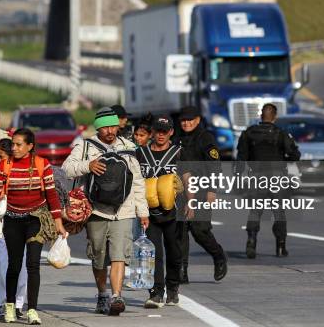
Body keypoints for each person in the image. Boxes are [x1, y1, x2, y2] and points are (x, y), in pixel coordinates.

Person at [62, 107, 149, 316]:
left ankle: (116, 296)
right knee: (99, 256)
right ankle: (102, 294)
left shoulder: (128, 147)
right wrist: (88, 165)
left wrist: (142, 211)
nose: (110, 131)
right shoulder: (85, 146)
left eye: (113, 126)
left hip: (124, 210)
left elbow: (137, 181)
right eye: (105, 127)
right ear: (98, 129)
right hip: (96, 210)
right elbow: (66, 169)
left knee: (119, 254)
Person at [0, 128, 67, 325]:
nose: (15, 148)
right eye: (13, 144)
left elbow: (52, 196)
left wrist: (58, 223)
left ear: (30, 146)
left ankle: (32, 309)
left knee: (33, 265)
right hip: (12, 220)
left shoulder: (42, 164)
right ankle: (10, 306)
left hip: (35, 219)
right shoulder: (5, 165)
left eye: (19, 145)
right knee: (14, 265)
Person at [236, 103, 301, 259]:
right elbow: (295, 156)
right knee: (279, 213)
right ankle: (280, 246)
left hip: (256, 177)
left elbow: (241, 159)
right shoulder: (281, 134)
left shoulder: (248, 133)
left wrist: (238, 178)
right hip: (277, 178)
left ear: (261, 116)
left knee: (255, 212)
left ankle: (251, 241)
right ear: (275, 117)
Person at [176, 105, 228, 284]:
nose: (187, 123)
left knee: (200, 231)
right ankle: (182, 271)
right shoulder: (177, 138)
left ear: (197, 120)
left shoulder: (205, 138)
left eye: (190, 120)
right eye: (183, 120)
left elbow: (215, 164)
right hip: (181, 191)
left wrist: (212, 190)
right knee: (180, 232)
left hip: (202, 190)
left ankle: (218, 255)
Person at [136, 115, 182, 308]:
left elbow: (188, 177)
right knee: (153, 253)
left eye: (165, 131)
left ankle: (172, 289)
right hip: (149, 212)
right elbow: (135, 181)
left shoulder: (179, 152)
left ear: (171, 132)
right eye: (158, 131)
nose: (161, 135)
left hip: (174, 211)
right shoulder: (141, 153)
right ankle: (156, 292)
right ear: (152, 132)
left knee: (174, 252)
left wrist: (191, 200)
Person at [0, 139, 28, 320]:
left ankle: (18, 304)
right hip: (1, 226)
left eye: (1, 156)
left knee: (21, 268)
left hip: (21, 223)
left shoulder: (22, 170)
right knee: (2, 264)